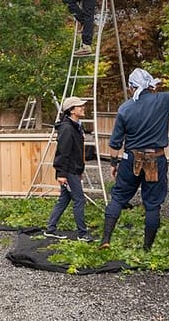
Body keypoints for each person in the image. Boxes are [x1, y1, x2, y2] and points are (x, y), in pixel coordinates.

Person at [100, 68, 169, 251]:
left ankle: (105, 240)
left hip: (130, 160)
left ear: (131, 87)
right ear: (151, 86)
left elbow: (115, 144)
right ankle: (147, 249)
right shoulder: (163, 100)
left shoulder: (125, 109)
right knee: (152, 205)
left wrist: (114, 164)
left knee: (118, 199)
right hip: (155, 160)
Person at [43, 96, 95, 242]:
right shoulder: (67, 128)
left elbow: (76, 151)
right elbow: (63, 152)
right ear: (71, 110)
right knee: (79, 200)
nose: (83, 108)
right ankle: (82, 234)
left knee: (64, 199)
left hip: (73, 170)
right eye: (79, 106)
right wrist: (61, 173)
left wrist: (79, 171)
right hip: (69, 171)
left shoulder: (76, 126)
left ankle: (50, 229)